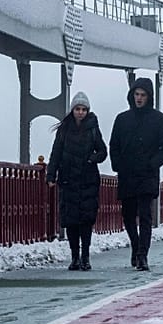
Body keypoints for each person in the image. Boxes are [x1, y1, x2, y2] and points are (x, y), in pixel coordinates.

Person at [108, 77, 163, 272]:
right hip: (127, 173)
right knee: (128, 215)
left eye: (143, 95)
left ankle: (142, 255)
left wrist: (152, 164)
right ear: (131, 95)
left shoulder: (160, 120)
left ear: (149, 97)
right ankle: (135, 246)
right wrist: (117, 164)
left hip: (147, 174)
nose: (139, 98)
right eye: (136, 94)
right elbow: (114, 145)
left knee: (145, 215)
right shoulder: (122, 119)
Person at [46, 92, 107, 271]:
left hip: (88, 180)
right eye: (77, 109)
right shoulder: (64, 129)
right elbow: (56, 152)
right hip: (68, 179)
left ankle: (85, 257)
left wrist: (92, 159)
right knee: (72, 221)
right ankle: (74, 257)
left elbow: (103, 151)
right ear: (72, 110)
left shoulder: (93, 128)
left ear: (88, 111)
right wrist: (51, 175)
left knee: (86, 221)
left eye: (83, 109)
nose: (80, 112)